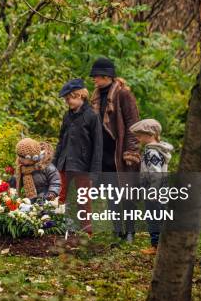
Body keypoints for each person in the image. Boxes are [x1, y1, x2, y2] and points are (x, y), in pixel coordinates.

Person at [90, 57, 140, 243]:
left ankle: (130, 232)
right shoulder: (96, 96)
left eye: (96, 75)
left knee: (126, 194)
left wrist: (131, 151)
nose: (94, 79)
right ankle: (117, 230)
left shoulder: (123, 94)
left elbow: (133, 124)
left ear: (106, 76)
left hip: (120, 153)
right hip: (104, 153)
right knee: (111, 193)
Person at [53, 78, 102, 235]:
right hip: (64, 164)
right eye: (66, 100)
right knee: (58, 196)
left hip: (83, 166)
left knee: (83, 201)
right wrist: (54, 164)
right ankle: (53, 228)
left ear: (80, 95)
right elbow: (61, 141)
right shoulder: (67, 117)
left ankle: (87, 233)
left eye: (70, 99)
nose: (68, 102)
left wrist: (94, 172)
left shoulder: (92, 116)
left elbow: (98, 146)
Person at [129, 118, 174, 255]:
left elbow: (155, 173)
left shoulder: (151, 152)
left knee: (154, 218)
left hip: (154, 192)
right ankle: (163, 244)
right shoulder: (157, 150)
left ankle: (156, 246)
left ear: (151, 135)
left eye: (140, 135)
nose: (138, 138)